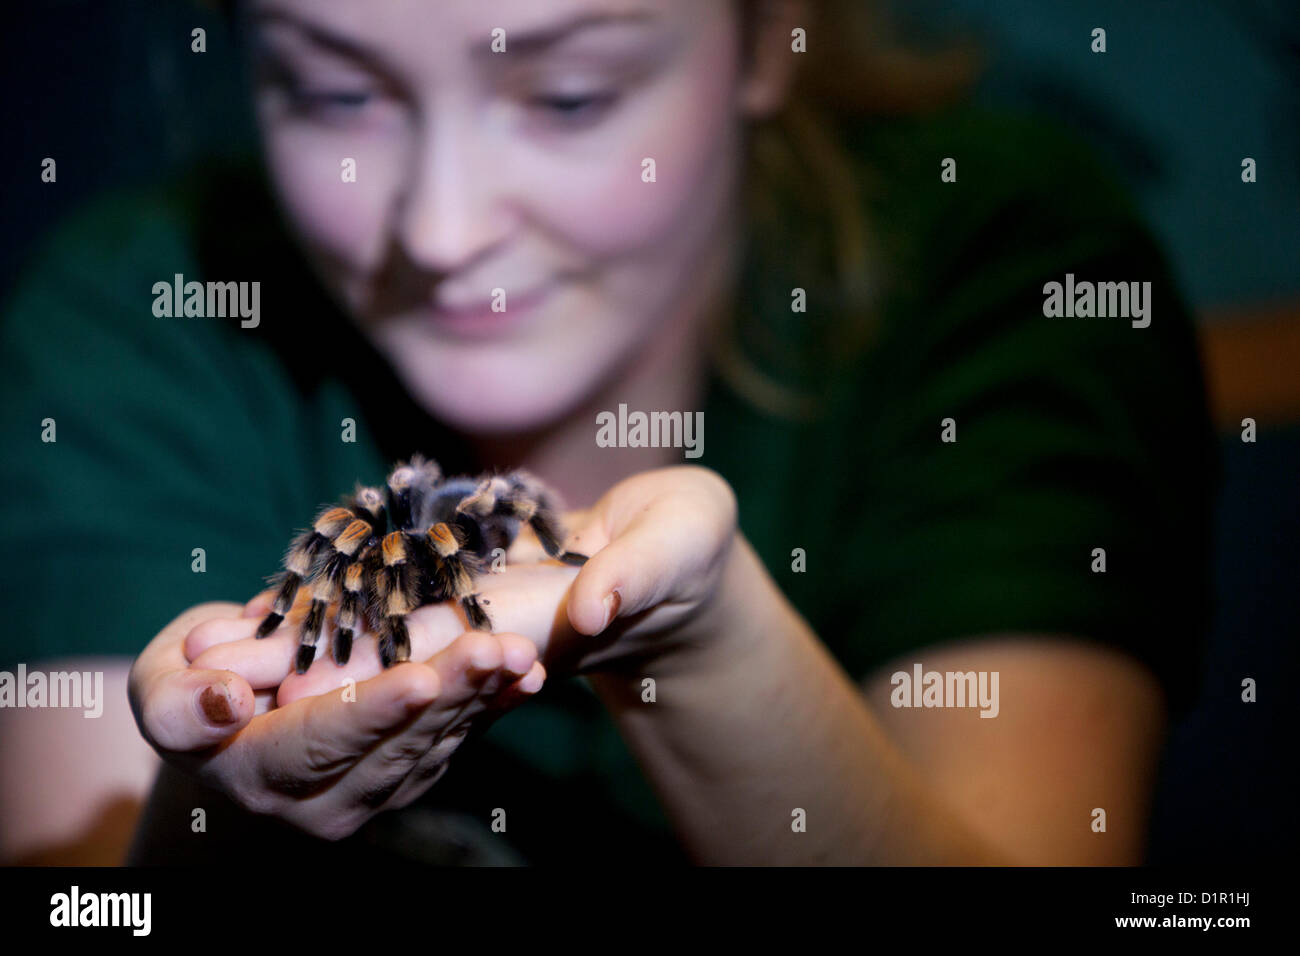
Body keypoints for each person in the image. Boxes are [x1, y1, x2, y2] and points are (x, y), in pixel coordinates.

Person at [0, 0, 1216, 866]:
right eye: (335, 90)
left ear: (766, 33)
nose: (439, 229)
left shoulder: (999, 264)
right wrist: (218, 823)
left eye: (569, 94)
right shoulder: (141, 306)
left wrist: (699, 638)